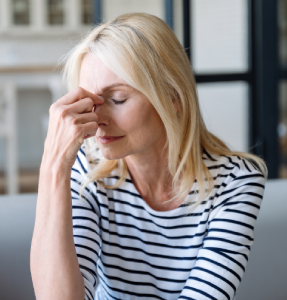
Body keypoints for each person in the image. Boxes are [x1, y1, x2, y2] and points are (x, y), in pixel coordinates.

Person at [30, 13, 267, 300]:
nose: (97, 119)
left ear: (173, 97)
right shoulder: (86, 169)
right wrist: (53, 165)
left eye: (117, 99)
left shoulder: (236, 181)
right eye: (89, 101)